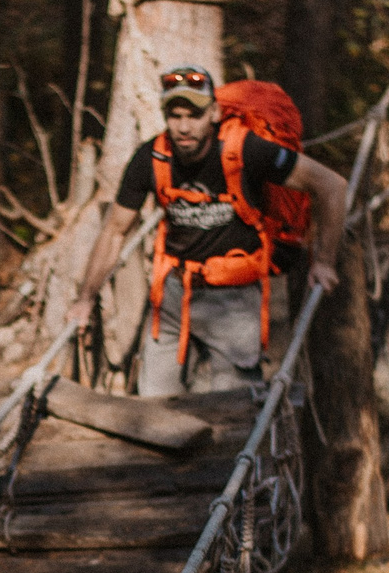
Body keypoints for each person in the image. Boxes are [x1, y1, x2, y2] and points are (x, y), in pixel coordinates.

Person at [65, 64, 352, 397]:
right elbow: (115, 230)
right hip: (173, 295)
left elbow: (332, 185)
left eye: (195, 114)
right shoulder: (152, 157)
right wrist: (85, 298)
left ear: (214, 112)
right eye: (175, 115)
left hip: (235, 299)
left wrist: (325, 261)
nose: (184, 126)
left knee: (235, 411)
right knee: (152, 407)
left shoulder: (245, 150)